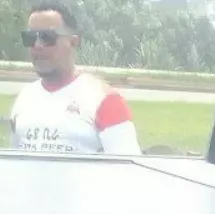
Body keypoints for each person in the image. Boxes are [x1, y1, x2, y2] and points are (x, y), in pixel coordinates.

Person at [9, 0, 140, 155]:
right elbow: (14, 163)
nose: (37, 45)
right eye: (30, 38)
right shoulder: (24, 99)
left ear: (73, 41)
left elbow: (128, 172)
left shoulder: (105, 100)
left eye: (47, 37)